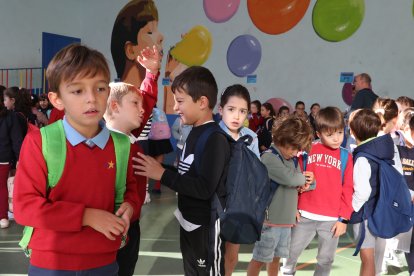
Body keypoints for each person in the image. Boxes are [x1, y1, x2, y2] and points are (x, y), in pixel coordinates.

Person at [13, 44, 139, 275]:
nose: (91, 99)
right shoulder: (40, 143)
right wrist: (87, 216)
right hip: (51, 262)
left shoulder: (121, 146)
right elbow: (25, 208)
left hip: (104, 258)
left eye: (100, 88)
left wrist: (130, 207)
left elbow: (129, 190)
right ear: (57, 99)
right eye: (78, 91)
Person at [134, 66, 231, 275]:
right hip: (188, 221)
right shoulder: (194, 131)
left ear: (202, 102)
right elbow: (186, 173)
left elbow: (205, 188)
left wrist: (161, 174)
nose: (176, 107)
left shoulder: (215, 138)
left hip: (206, 227)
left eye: (180, 101)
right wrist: (158, 167)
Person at [104, 45, 160, 276]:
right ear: (114, 107)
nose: (142, 109)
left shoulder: (130, 139)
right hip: (108, 226)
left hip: (131, 225)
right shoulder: (102, 144)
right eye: (134, 104)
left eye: (140, 104)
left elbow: (146, 99)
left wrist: (151, 73)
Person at [283, 106, 354, 276]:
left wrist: (343, 219)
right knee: (290, 255)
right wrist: (293, 207)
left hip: (331, 220)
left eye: (339, 133)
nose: (336, 138)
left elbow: (348, 189)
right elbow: (293, 181)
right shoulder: (306, 151)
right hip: (304, 215)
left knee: (325, 260)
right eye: (330, 135)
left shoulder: (346, 156)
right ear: (318, 133)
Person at [247, 116, 314, 276]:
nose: (296, 152)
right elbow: (291, 178)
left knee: (276, 258)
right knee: (260, 259)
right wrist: (304, 178)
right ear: (281, 139)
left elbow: (299, 181)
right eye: (293, 148)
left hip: (285, 221)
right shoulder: (269, 157)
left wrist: (306, 180)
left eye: (298, 149)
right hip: (270, 222)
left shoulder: (290, 159)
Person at [216, 84, 260, 275]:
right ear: (220, 109)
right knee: (211, 252)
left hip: (237, 205)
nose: (237, 116)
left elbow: (255, 170)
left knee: (231, 255)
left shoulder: (250, 137)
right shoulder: (212, 134)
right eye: (231, 109)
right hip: (214, 204)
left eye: (243, 111)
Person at [348, 108, 392, 276]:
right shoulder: (386, 148)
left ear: (352, 131)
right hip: (382, 210)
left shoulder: (362, 157)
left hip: (366, 214)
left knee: (367, 258)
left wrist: (350, 209)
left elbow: (363, 192)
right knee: (375, 258)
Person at [0, 85, 25, 229]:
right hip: (4, 157)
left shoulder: (12, 116)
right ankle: (3, 217)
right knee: (2, 187)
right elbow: (17, 140)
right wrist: (19, 159)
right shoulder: (11, 116)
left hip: (3, 157)